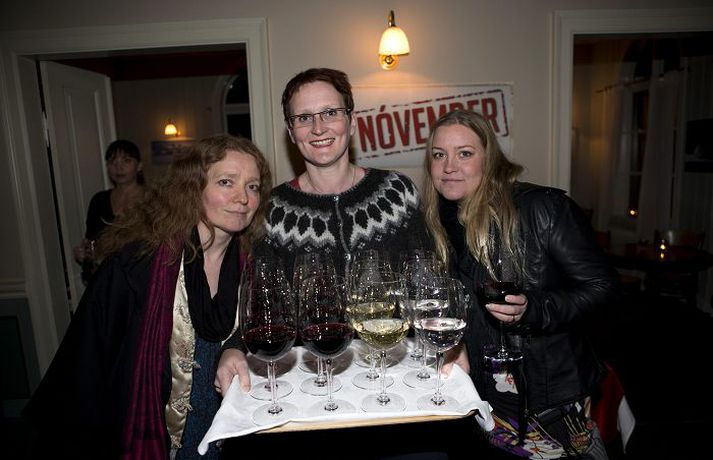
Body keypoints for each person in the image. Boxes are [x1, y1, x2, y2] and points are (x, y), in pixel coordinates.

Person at [23, 134, 271, 460]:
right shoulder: (136, 267)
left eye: (253, 187)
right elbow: (86, 371)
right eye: (226, 182)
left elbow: (258, 332)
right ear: (192, 189)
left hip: (229, 435)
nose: (243, 198)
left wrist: (234, 346)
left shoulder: (253, 263)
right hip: (158, 442)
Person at [215, 67, 432, 395]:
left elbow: (427, 283)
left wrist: (449, 348)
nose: (318, 128)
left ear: (352, 121)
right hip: (312, 379)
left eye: (330, 112)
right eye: (304, 118)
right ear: (291, 132)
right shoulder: (272, 209)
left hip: (395, 374)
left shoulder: (397, 192)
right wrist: (232, 347)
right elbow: (260, 301)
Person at [423, 109, 619, 459]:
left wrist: (534, 309)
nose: (449, 166)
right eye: (439, 155)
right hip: (480, 398)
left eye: (464, 153)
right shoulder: (438, 223)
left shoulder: (543, 208)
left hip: (548, 401)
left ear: (489, 160)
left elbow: (604, 288)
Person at [73, 139, 146, 284]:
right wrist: (84, 254)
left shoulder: (152, 198)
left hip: (141, 276)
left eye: (126, 160)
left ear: (139, 166)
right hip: (106, 276)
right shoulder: (99, 200)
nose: (119, 166)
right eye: (113, 161)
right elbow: (91, 239)